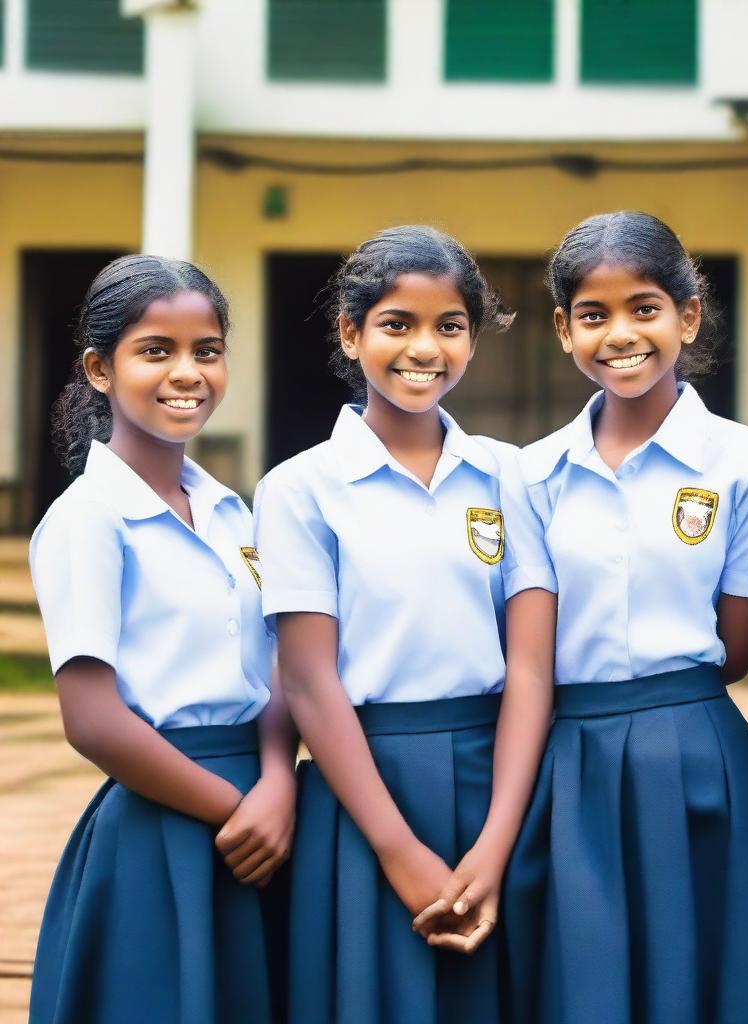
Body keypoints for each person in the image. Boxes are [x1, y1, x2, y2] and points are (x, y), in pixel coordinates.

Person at [504, 211, 748, 1023]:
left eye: (645, 308)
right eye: (593, 315)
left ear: (689, 316)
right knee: (581, 975)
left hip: (698, 748)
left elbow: (736, 651)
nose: (621, 334)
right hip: (570, 754)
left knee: (705, 972)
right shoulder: (530, 478)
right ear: (564, 329)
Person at [254, 226, 557, 1023]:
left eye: (449, 327)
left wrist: (495, 843)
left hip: (495, 780)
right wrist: (397, 848)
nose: (425, 348)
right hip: (365, 792)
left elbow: (530, 667)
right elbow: (311, 681)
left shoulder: (507, 474)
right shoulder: (301, 488)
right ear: (351, 334)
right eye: (397, 324)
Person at [29, 255, 295, 1024]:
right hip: (166, 824)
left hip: (261, 817)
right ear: (99, 368)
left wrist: (277, 782)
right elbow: (93, 719)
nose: (188, 373)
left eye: (206, 351)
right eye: (156, 351)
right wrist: (233, 808)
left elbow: (279, 667)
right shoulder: (89, 519)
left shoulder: (232, 512)